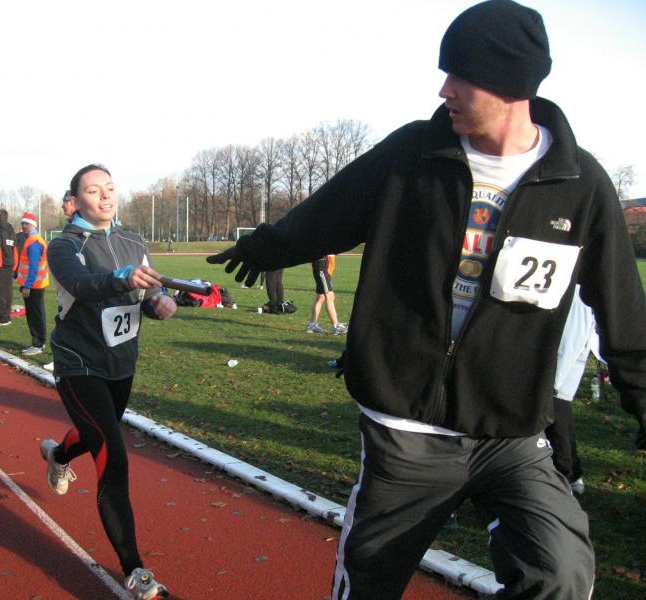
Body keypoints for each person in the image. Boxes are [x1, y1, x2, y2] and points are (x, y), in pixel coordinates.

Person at [208, 2, 646, 598]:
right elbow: (329, 212)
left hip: (510, 432)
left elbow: (624, 313)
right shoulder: (411, 154)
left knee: (563, 573)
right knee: (370, 582)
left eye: (459, 75)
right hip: (405, 429)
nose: (444, 90)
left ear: (508, 82)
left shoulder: (581, 184)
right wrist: (265, 248)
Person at [40, 164, 176, 600]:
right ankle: (135, 570)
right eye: (93, 190)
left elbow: (147, 294)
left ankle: (59, 454)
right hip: (79, 364)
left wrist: (159, 303)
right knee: (113, 456)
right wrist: (123, 278)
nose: (104, 196)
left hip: (121, 364)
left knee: (97, 434)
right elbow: (83, 285)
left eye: (110, 188)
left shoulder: (134, 241)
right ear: (76, 201)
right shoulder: (64, 245)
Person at [546, 285, 601, 497]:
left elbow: (568, 345)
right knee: (563, 420)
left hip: (561, 374)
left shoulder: (577, 296)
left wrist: (553, 382)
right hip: (563, 371)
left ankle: (564, 477)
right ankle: (573, 474)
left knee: (557, 423)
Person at [16, 212, 49, 355]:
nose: (24, 226)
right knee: (36, 313)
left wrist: (27, 285)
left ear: (33, 225)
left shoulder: (34, 242)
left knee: (35, 315)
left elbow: (34, 267)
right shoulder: (34, 240)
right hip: (37, 284)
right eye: (22, 223)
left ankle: (38, 344)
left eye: (26, 224)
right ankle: (38, 342)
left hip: (34, 285)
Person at [307, 254, 347, 335]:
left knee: (321, 297)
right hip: (321, 265)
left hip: (323, 265)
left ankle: (312, 326)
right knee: (330, 296)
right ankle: (336, 326)